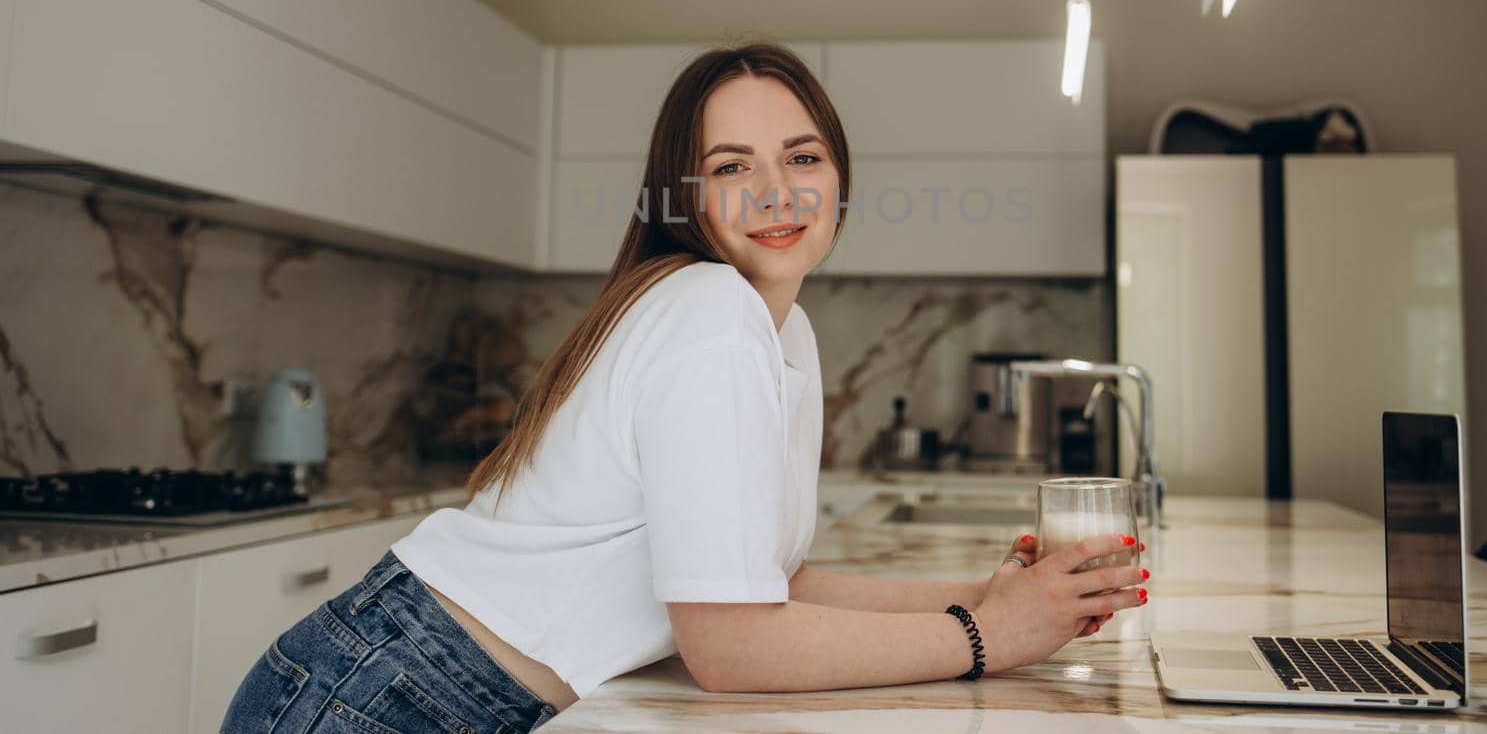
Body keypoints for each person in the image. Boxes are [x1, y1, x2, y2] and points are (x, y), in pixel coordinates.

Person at [222, 42, 1150, 733]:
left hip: (415, 683)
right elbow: (731, 647)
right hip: (378, 695)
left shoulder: (776, 325)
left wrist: (981, 599)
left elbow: (762, 585)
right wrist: (990, 637)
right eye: (731, 167)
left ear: (840, 175)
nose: (777, 191)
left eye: (803, 156)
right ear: (686, 196)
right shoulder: (708, 310)